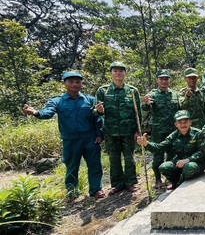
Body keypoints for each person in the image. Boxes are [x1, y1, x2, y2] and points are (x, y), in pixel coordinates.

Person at [22, 71, 105, 201]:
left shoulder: (89, 100)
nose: (74, 84)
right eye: (71, 82)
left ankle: (96, 190)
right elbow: (48, 112)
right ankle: (72, 192)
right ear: (64, 83)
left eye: (77, 82)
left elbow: (97, 118)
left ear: (81, 83)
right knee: (72, 167)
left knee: (95, 165)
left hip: (90, 139)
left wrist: (100, 134)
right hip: (70, 140)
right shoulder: (57, 101)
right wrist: (36, 112)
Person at [95, 61, 141, 194]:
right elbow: (96, 112)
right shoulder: (103, 90)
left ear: (125, 73)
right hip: (111, 132)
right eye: (115, 70)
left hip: (128, 132)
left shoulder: (132, 91)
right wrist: (98, 110)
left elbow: (137, 112)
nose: (118, 73)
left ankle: (130, 182)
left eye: (121, 70)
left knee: (129, 158)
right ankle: (117, 184)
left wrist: (138, 130)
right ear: (111, 73)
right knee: (114, 159)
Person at [136, 110, 205, 190]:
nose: (183, 125)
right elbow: (159, 148)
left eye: (185, 122)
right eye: (180, 122)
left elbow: (202, 152)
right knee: (164, 167)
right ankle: (175, 182)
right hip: (179, 163)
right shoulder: (173, 136)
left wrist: (188, 160)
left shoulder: (198, 133)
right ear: (176, 124)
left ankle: (179, 184)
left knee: (188, 167)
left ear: (190, 122)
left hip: (196, 164)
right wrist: (146, 143)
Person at [141, 69, 180, 188]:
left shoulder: (174, 94)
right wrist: (146, 103)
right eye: (161, 78)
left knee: (172, 155)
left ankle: (170, 177)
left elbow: (179, 110)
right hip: (158, 131)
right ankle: (158, 179)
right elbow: (145, 109)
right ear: (157, 80)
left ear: (169, 80)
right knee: (158, 155)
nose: (164, 81)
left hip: (173, 130)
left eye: (166, 78)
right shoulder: (152, 94)